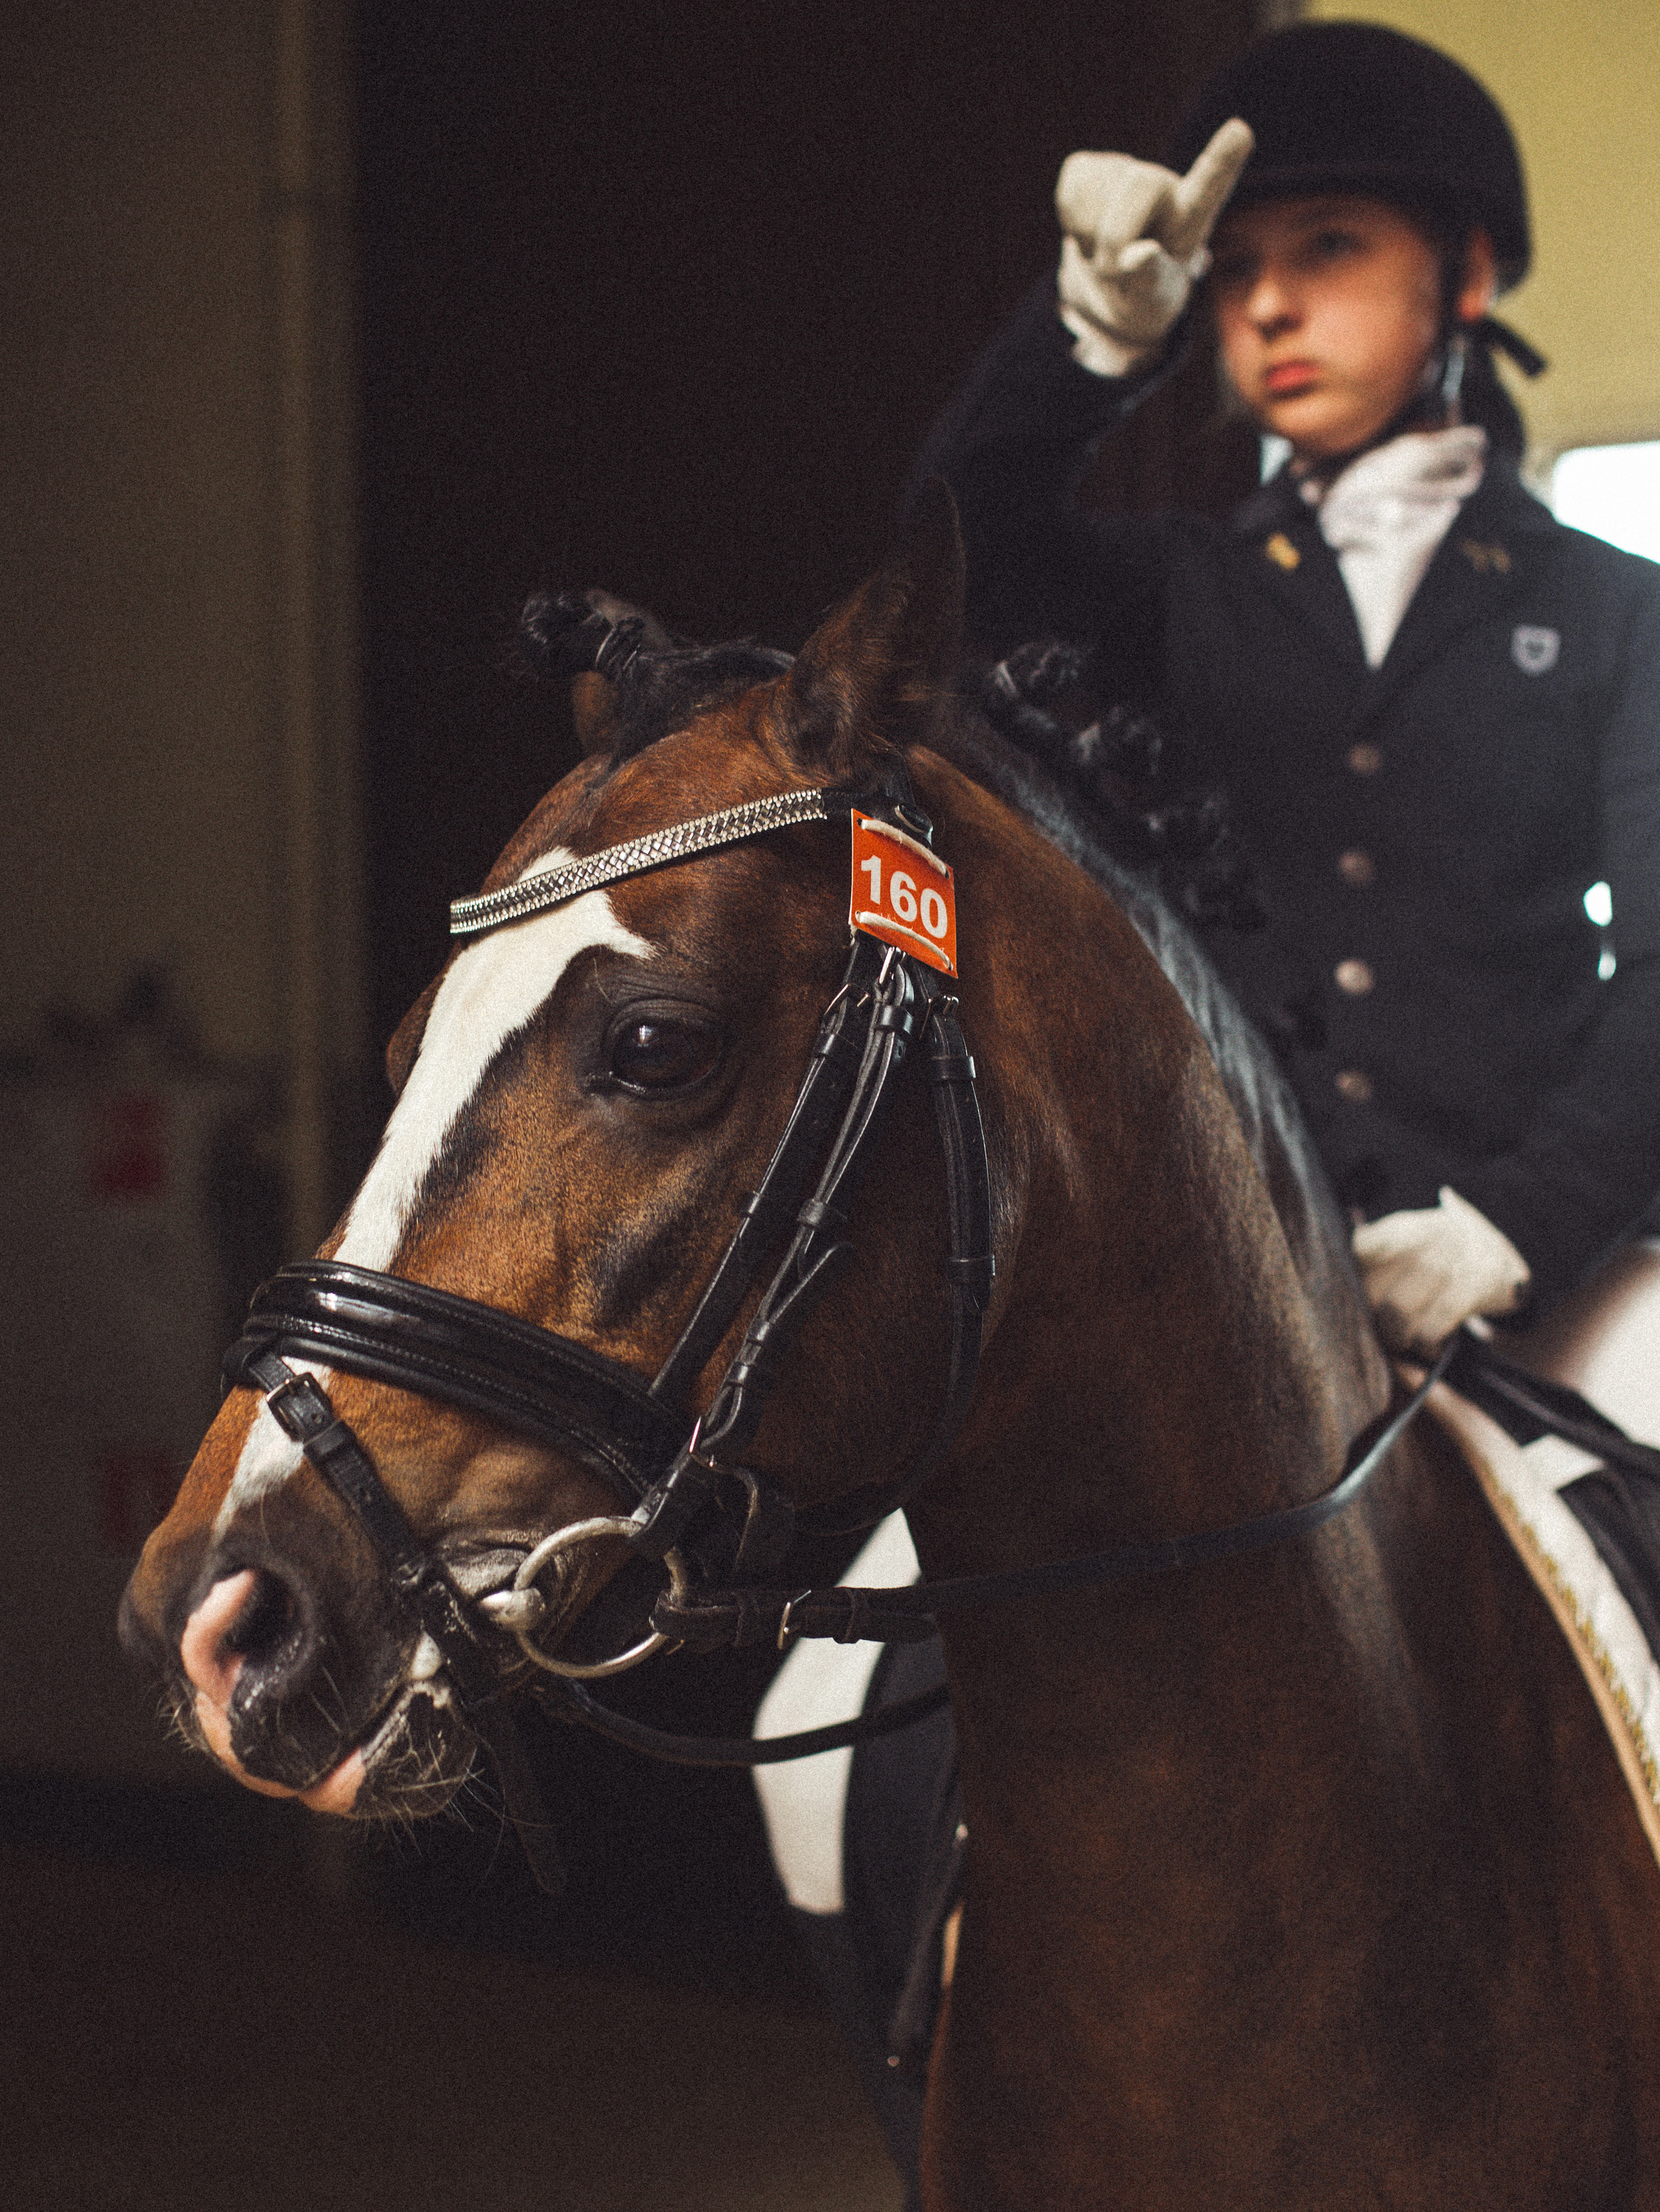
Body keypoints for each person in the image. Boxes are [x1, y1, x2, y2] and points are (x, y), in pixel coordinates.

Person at [908, 19, 1660, 1352]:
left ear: (1467, 273)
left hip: (1544, 1269)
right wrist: (1090, 333)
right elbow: (952, 558)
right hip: (1219, 1264)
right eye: (1232, 269)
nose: (1261, 306)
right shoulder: (1181, 584)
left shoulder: (1614, 608)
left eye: (1326, 246)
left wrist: (1513, 1229)